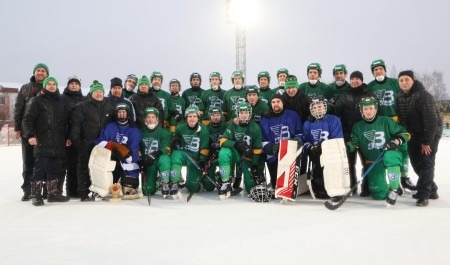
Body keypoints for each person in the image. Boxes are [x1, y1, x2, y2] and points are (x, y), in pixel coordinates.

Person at [346, 96, 410, 205]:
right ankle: (389, 188)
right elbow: (354, 144)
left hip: (388, 154)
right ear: (361, 111)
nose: (368, 111)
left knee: (390, 156)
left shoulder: (386, 120)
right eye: (365, 109)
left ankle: (394, 188)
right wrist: (346, 147)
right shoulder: (358, 126)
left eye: (371, 108)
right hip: (373, 161)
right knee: (379, 195)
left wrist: (395, 142)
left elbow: (405, 134)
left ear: (375, 109)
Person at [396, 70, 442, 207]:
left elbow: (431, 120)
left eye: (407, 79)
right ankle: (432, 189)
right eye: (401, 80)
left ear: (413, 80)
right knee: (417, 164)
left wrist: (427, 142)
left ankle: (423, 195)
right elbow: (402, 119)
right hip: (413, 135)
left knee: (427, 163)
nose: (404, 82)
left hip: (430, 134)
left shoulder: (423, 95)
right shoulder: (399, 97)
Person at [22, 77, 71, 206]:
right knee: (39, 169)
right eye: (48, 84)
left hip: (59, 141)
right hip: (42, 140)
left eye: (54, 84)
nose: (51, 86)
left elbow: (67, 121)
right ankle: (36, 195)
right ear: (44, 86)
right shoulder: (37, 100)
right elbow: (28, 119)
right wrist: (30, 135)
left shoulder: (62, 101)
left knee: (55, 168)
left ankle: (53, 193)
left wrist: (68, 137)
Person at [368, 59, 415, 191]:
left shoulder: (394, 82)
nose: (378, 71)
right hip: (381, 123)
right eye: (375, 70)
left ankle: (404, 177)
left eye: (380, 69)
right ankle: (392, 182)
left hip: (397, 121)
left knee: (404, 150)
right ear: (373, 73)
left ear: (385, 70)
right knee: (386, 153)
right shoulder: (370, 86)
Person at [70, 80, 114, 201]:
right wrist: (78, 142)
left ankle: (99, 190)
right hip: (86, 142)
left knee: (100, 167)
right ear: (91, 93)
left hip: (102, 143)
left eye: (101, 91)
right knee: (83, 167)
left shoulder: (109, 106)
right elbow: (75, 126)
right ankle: (83, 192)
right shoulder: (82, 106)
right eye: (96, 91)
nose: (99, 94)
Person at [335, 71, 375, 195]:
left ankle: (367, 187)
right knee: (349, 163)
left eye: (358, 79)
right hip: (348, 134)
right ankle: (351, 186)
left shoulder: (369, 94)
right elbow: (337, 113)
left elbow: (375, 112)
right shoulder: (344, 95)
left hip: (365, 133)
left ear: (362, 80)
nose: (355, 81)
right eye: (353, 79)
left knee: (367, 161)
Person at [14, 63, 49, 201]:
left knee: (44, 161)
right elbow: (18, 109)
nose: (40, 73)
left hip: (45, 133)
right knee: (28, 162)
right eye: (38, 70)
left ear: (47, 74)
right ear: (34, 72)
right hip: (27, 131)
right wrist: (17, 127)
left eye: (43, 71)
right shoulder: (25, 88)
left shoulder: (50, 87)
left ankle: (45, 190)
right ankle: (28, 190)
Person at [95, 103, 142, 199]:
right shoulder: (109, 126)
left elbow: (134, 147)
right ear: (116, 113)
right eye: (119, 112)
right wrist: (111, 145)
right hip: (111, 160)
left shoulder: (134, 129)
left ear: (128, 113)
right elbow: (99, 141)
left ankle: (128, 184)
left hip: (127, 162)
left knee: (128, 190)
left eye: (124, 112)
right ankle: (101, 187)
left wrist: (128, 157)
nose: (121, 114)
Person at [218, 102, 263, 198]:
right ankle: (225, 182)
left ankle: (242, 178)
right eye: (241, 113)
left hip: (248, 159)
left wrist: (254, 165)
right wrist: (236, 144)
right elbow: (223, 141)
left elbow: (257, 150)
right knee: (224, 152)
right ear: (238, 114)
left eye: (246, 113)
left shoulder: (255, 128)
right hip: (236, 155)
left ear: (250, 114)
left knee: (250, 188)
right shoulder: (233, 124)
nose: (244, 115)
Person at [302, 96, 344, 198]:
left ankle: (335, 187)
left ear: (325, 107)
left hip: (331, 154)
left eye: (319, 106)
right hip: (316, 155)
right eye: (315, 108)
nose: (317, 109)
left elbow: (337, 139)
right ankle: (320, 186)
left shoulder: (334, 120)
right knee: (317, 165)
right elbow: (305, 140)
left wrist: (323, 146)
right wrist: (310, 148)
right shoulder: (308, 123)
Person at [260, 94, 303, 188]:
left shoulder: (292, 115)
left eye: (278, 101)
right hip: (274, 154)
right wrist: (270, 147)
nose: (276, 104)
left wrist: (295, 141)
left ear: (283, 102)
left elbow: (299, 133)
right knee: (277, 185)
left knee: (289, 183)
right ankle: (275, 184)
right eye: (273, 102)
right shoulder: (265, 119)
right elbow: (263, 140)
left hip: (290, 151)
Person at [170, 106, 211, 194]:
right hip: (184, 155)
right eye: (190, 116)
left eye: (194, 116)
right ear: (186, 118)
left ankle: (198, 181)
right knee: (176, 155)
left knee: (193, 188)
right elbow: (175, 138)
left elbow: (205, 147)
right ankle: (174, 182)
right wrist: (176, 142)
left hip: (195, 160)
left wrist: (202, 160)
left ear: (198, 118)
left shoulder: (203, 129)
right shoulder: (180, 128)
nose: (192, 119)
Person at [61, 75, 86, 197]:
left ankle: (78, 189)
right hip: (66, 138)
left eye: (76, 83)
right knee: (66, 165)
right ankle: (68, 191)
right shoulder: (62, 98)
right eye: (72, 83)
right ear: (68, 85)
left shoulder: (84, 99)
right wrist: (67, 136)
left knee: (79, 164)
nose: (74, 85)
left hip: (80, 137)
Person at [140, 107, 172, 196]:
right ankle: (158, 183)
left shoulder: (164, 132)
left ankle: (165, 181)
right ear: (145, 119)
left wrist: (155, 154)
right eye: (148, 117)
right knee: (147, 191)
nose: (150, 120)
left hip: (159, 159)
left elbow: (166, 148)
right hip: (148, 163)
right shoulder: (140, 132)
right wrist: (141, 161)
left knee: (164, 159)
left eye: (153, 117)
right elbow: (138, 148)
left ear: (157, 119)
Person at [206, 107, 228, 189]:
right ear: (209, 116)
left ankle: (227, 177)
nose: (215, 117)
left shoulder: (226, 126)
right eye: (213, 115)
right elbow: (205, 145)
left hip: (224, 154)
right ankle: (216, 175)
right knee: (209, 187)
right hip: (212, 156)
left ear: (221, 116)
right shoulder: (206, 129)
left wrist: (219, 151)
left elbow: (229, 142)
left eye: (218, 115)